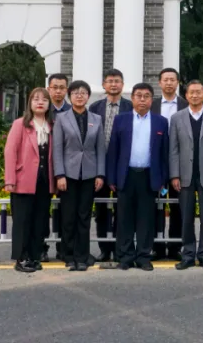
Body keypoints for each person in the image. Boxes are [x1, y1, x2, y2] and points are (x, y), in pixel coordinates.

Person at [105, 82, 169, 272]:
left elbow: (164, 154)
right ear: (132, 98)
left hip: (149, 176)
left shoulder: (161, 122)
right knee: (124, 219)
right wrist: (112, 178)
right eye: (139, 95)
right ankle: (125, 256)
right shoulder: (121, 120)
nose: (142, 99)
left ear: (152, 99)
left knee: (146, 219)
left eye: (146, 96)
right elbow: (113, 151)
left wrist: (163, 180)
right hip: (126, 175)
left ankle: (143, 256)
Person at [51, 80, 106, 271]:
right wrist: (59, 174)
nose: (79, 96)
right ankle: (68, 255)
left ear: (88, 96)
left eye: (83, 93)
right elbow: (57, 150)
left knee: (84, 217)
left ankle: (82, 256)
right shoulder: (61, 119)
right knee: (68, 217)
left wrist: (100, 174)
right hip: (68, 175)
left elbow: (100, 149)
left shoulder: (96, 119)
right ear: (70, 96)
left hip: (89, 175)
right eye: (75, 93)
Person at [169, 80, 203, 270]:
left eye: (198, 92)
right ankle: (188, 254)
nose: (194, 95)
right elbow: (173, 149)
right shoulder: (177, 118)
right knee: (186, 216)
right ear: (186, 95)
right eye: (191, 92)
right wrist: (174, 175)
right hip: (184, 175)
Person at [4, 87, 55, 273]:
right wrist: (10, 179)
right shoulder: (20, 124)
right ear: (30, 103)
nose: (40, 102)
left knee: (40, 221)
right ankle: (21, 258)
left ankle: (35, 256)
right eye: (36, 99)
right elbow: (10, 151)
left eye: (44, 100)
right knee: (22, 221)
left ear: (49, 104)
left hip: (44, 181)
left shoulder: (52, 125)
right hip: (23, 180)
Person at [88, 68, 125, 263]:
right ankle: (104, 248)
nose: (113, 84)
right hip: (99, 165)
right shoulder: (94, 107)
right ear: (104, 85)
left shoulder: (129, 106)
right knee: (101, 210)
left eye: (117, 81)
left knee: (122, 210)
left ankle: (120, 248)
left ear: (122, 85)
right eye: (110, 81)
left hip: (121, 164)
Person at [155, 67, 188, 260]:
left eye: (172, 80)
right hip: (157, 162)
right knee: (156, 205)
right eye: (165, 79)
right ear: (160, 83)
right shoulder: (152, 104)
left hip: (180, 163)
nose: (169, 83)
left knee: (178, 206)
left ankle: (175, 247)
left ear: (177, 83)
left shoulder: (185, 104)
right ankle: (157, 247)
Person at [44, 72, 70, 262]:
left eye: (62, 87)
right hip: (44, 168)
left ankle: (64, 247)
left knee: (65, 211)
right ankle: (41, 247)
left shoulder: (72, 111)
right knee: (42, 210)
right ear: (48, 89)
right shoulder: (40, 110)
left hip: (66, 169)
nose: (58, 91)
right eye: (55, 87)